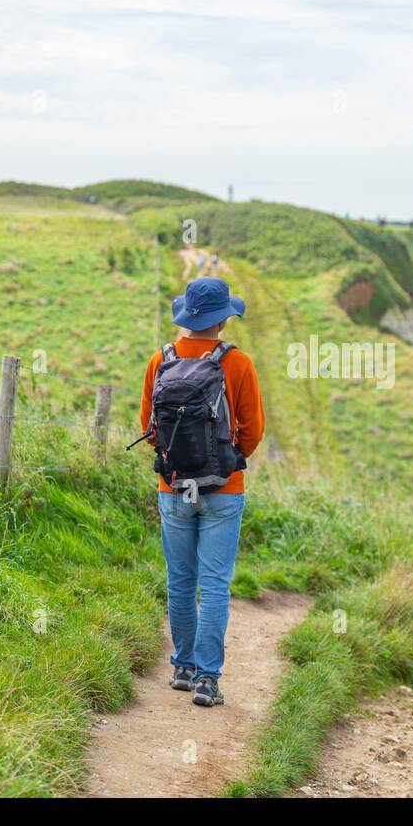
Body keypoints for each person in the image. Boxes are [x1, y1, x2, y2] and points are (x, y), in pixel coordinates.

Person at [138, 277, 265, 707]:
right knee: (214, 584)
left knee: (180, 581)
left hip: (172, 486)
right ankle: (207, 680)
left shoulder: (162, 358)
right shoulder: (238, 363)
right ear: (223, 320)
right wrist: (229, 460)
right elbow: (253, 429)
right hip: (223, 490)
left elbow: (148, 427)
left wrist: (177, 461)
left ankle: (182, 667)